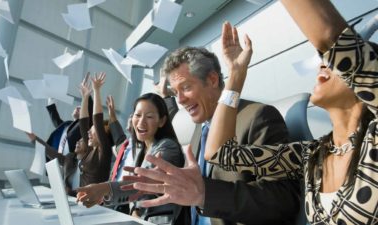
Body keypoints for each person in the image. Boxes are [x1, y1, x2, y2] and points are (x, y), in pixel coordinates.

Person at [201, 1, 378, 224]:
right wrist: (236, 75)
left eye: (332, 62)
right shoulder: (311, 155)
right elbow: (220, 154)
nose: (322, 64)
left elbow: (333, 41)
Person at [126, 44, 302, 225]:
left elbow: (283, 201)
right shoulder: (199, 131)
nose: (180, 100)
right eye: (175, 92)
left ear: (212, 80)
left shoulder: (257, 117)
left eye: (186, 87)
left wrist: (204, 193)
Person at [76, 93, 185, 225]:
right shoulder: (139, 149)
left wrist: (103, 188)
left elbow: (144, 184)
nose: (141, 121)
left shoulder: (167, 148)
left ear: (162, 121)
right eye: (137, 115)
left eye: (149, 117)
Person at [78, 72, 113, 187]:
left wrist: (96, 90)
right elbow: (83, 123)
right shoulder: (90, 149)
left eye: (92, 131)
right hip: (81, 200)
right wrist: (85, 97)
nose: (88, 132)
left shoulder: (104, 152)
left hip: (95, 203)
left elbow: (97, 121)